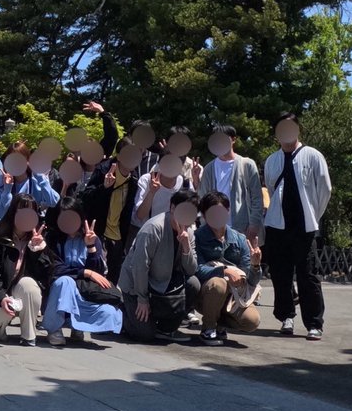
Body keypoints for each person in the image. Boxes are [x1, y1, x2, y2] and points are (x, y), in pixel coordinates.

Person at [262, 112, 331, 339]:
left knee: (308, 274)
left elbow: (324, 190)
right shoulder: (272, 160)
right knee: (280, 274)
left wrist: (313, 216)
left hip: (305, 226)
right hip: (277, 225)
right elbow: (272, 192)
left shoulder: (312, 155)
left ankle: (314, 323)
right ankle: (286, 317)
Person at [118, 189, 200, 342]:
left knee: (193, 284)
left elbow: (191, 270)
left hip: (164, 284)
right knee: (145, 335)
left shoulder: (189, 233)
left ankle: (166, 328)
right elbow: (139, 266)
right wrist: (142, 299)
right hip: (138, 286)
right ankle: (121, 313)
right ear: (172, 208)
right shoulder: (153, 228)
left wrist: (186, 247)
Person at [41, 197, 123, 346]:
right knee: (65, 282)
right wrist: (84, 272)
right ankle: (54, 329)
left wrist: (91, 248)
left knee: (109, 312)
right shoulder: (52, 239)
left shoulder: (92, 238)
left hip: (84, 293)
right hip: (58, 292)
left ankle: (76, 326)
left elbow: (99, 272)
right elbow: (55, 269)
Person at [0, 194, 51, 346]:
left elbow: (46, 276)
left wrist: (39, 252)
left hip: (18, 296)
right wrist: (1, 297)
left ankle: (29, 335)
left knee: (29, 284)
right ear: (13, 212)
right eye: (22, 211)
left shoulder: (37, 239)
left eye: (31, 213)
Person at [194, 191, 261, 346]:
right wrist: (223, 271)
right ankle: (208, 328)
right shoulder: (197, 237)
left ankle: (220, 324)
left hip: (234, 297)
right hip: (207, 294)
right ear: (204, 215)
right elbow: (196, 269)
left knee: (252, 321)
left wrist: (255, 265)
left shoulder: (239, 239)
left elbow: (251, 280)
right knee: (219, 283)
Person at [77, 139, 139, 282]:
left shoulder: (134, 178)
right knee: (97, 277)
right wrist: (104, 187)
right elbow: (86, 198)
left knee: (113, 279)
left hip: (118, 237)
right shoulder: (104, 170)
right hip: (98, 233)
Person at [197, 125, 264, 243]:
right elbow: (203, 199)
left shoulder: (247, 164)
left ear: (233, 139)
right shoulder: (209, 168)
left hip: (243, 229)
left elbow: (257, 198)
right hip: (215, 230)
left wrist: (254, 223)